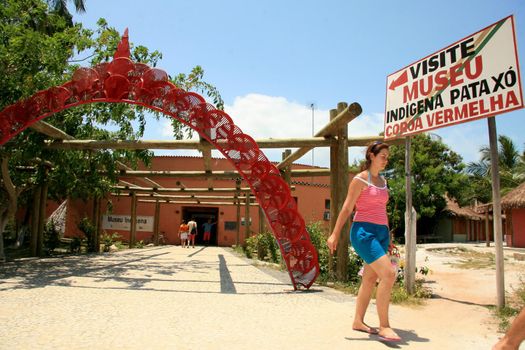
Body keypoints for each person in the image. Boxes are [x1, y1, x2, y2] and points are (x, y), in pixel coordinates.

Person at [326, 141, 401, 342]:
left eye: (387, 157)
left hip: (381, 233)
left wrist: (388, 237)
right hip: (363, 232)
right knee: (389, 274)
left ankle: (358, 321)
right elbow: (346, 208)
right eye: (383, 156)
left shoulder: (383, 182)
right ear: (371, 156)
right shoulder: (360, 180)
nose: (386, 160)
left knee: (369, 278)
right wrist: (334, 234)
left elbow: (381, 210)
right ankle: (384, 326)